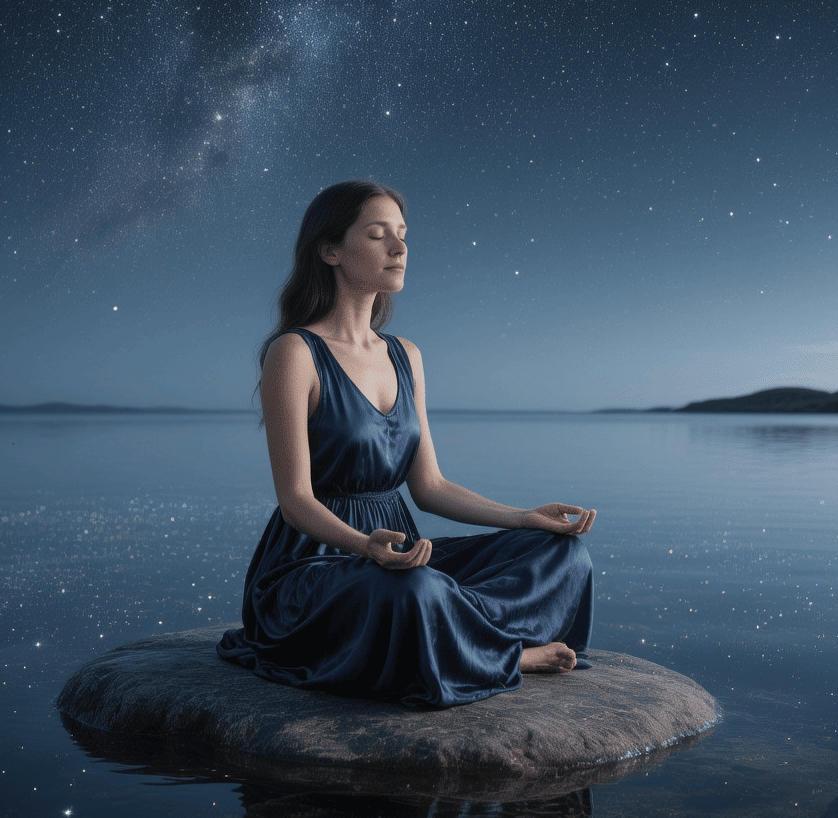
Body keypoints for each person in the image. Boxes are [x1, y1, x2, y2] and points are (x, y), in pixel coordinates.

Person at [217, 180, 595, 708]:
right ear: (330, 251)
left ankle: (462, 638)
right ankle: (512, 654)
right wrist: (364, 546)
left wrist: (525, 518)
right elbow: (296, 500)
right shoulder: (294, 353)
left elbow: (430, 486)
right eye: (377, 236)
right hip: (316, 564)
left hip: (398, 554)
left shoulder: (405, 355)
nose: (399, 249)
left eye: (402, 235)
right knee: (416, 591)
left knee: (562, 555)